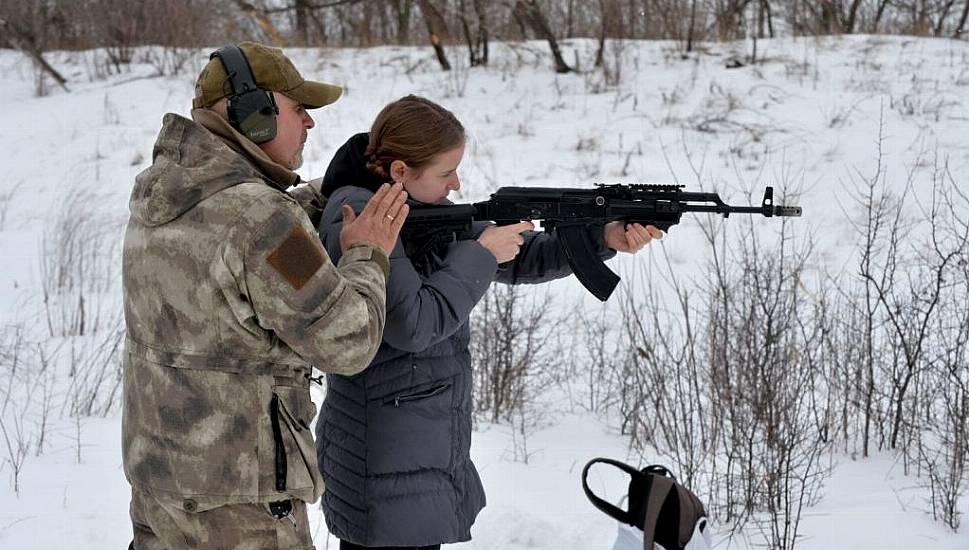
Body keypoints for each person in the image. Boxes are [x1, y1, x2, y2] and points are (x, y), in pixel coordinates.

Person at [314, 95, 663, 549]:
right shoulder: (363, 217)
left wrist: (602, 237)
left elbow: (516, 254)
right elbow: (412, 325)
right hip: (383, 452)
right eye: (446, 173)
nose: (456, 183)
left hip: (413, 446)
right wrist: (481, 256)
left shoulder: (410, 206)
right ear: (400, 171)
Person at [121, 42, 410, 550]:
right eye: (300, 110)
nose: (310, 125)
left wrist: (319, 194)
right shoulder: (263, 221)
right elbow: (348, 341)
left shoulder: (165, 192)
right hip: (242, 504)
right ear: (253, 115)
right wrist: (367, 253)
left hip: (164, 485)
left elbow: (234, 243)